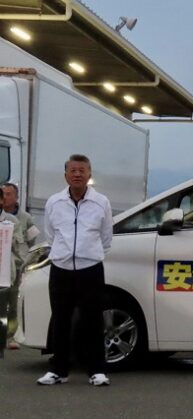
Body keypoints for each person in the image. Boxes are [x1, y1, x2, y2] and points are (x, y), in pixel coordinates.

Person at [37, 154, 113, 386]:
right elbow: (51, 234)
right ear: (66, 175)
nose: (77, 174)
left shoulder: (101, 202)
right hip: (61, 268)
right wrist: (64, 253)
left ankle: (96, 370)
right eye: (73, 170)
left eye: (82, 170)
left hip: (90, 268)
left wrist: (87, 253)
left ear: (89, 174)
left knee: (93, 320)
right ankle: (58, 370)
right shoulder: (54, 202)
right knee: (60, 319)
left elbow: (106, 238)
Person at [2, 182, 40, 349]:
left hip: (17, 267)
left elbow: (32, 241)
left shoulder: (26, 218)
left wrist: (24, 259)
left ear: (16, 197)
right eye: (3, 194)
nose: (5, 197)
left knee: (13, 303)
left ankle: (11, 336)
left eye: (9, 194)